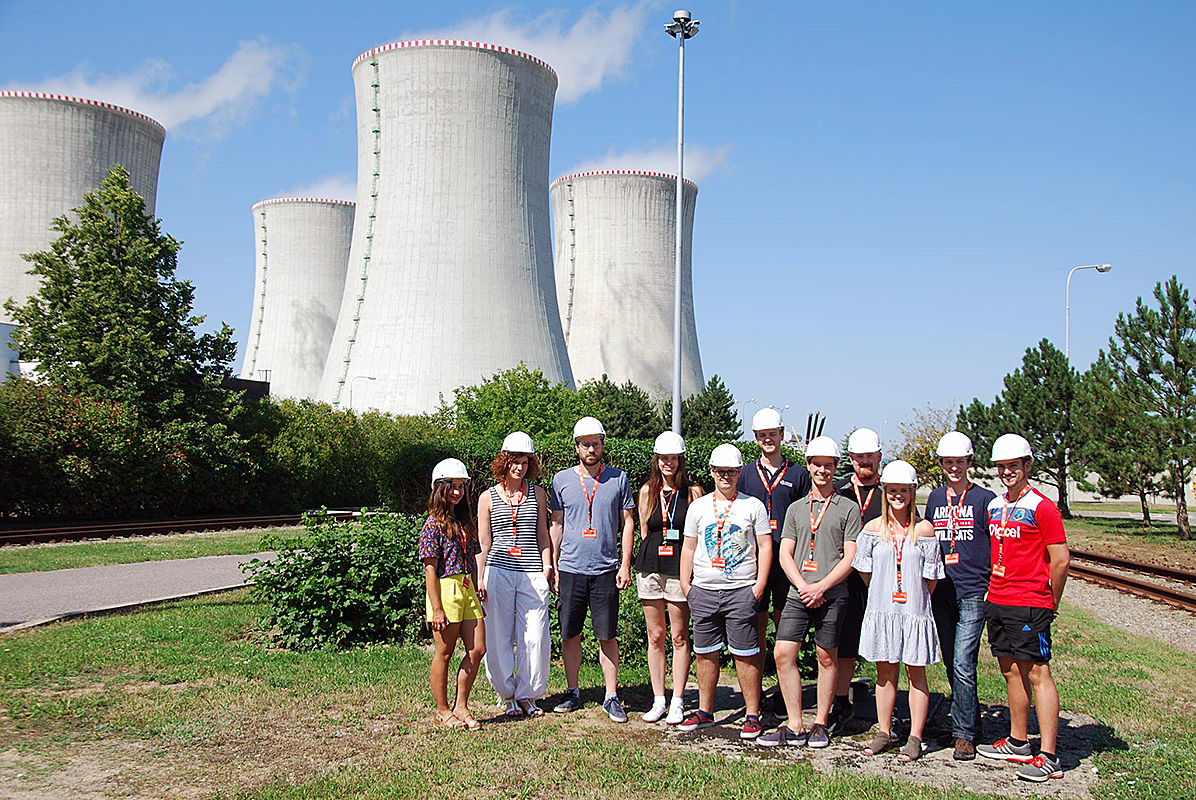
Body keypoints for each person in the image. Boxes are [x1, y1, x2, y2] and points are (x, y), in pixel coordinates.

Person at [977, 434, 1071, 782]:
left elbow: (1060, 560)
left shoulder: (1043, 507)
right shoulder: (994, 506)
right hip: (998, 599)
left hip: (1030, 603)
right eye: (1001, 466)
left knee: (1037, 673)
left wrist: (1050, 601)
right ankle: (1018, 742)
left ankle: (1049, 755)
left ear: (1027, 465)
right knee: (1010, 671)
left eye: (1013, 465)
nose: (1007, 472)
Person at [759, 435, 860, 748]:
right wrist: (803, 586)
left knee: (826, 657)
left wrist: (822, 586)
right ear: (809, 466)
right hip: (798, 593)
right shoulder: (796, 509)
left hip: (832, 594)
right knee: (782, 653)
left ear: (836, 467)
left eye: (828, 465)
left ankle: (820, 724)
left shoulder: (848, 508)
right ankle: (795, 724)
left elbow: (851, 556)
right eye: (817, 465)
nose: (822, 471)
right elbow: (785, 553)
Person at [677, 443, 772, 740]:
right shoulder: (699, 506)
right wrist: (686, 585)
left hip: (741, 590)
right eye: (720, 471)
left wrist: (759, 585)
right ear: (711, 472)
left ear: (739, 472)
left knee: (745, 655)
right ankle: (705, 711)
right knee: (705, 654)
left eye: (731, 471)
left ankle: (752, 715)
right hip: (704, 591)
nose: (725, 476)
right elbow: (688, 547)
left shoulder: (753, 505)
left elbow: (765, 546)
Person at [853, 460, 944, 762]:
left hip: (913, 612)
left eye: (904, 490)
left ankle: (915, 737)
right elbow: (865, 572)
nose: (898, 496)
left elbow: (931, 578)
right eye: (892, 490)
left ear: (912, 492)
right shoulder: (872, 529)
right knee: (885, 672)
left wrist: (913, 597)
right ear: (885, 492)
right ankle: (884, 731)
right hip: (883, 610)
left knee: (916, 672)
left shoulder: (924, 530)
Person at [549, 416, 636, 722]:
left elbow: (628, 522)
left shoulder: (618, 478)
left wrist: (625, 564)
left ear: (602, 445)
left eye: (595, 444)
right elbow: (557, 524)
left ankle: (611, 696)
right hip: (570, 568)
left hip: (605, 569)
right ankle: (573, 691)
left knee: (606, 634)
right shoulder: (561, 480)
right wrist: (553, 565)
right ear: (577, 447)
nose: (591, 449)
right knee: (570, 633)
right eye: (585, 444)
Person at [924, 431, 996, 760]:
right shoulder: (935, 499)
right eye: (948, 462)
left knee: (965, 661)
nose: (954, 468)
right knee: (952, 661)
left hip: (973, 590)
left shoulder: (984, 499)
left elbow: (996, 544)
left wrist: (992, 585)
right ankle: (971, 721)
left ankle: (963, 734)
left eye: (960, 462)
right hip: (942, 590)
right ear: (941, 464)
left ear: (969, 462)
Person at [477, 432, 553, 719]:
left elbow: (543, 535)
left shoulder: (538, 493)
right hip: (498, 571)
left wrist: (547, 567)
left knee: (535, 635)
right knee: (498, 635)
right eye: (514, 462)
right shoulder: (487, 497)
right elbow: (484, 543)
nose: (519, 467)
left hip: (532, 572)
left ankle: (528, 695)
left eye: (524, 462)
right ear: (504, 462)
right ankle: (506, 694)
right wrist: (480, 577)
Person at [736, 407, 811, 696]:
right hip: (754, 560)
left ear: (781, 435)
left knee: (785, 628)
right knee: (756, 626)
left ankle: (783, 691)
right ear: (755, 438)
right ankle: (754, 692)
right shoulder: (745, 474)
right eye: (762, 435)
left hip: (787, 561)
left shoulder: (798, 474)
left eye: (772, 434)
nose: (768, 440)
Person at [635, 431, 705, 725]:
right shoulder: (647, 491)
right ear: (657, 460)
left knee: (678, 636)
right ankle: (658, 699)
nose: (668, 463)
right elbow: (644, 530)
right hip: (650, 567)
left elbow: (699, 533)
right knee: (655, 635)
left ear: (680, 460)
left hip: (679, 569)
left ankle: (677, 700)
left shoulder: (694, 492)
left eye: (673, 458)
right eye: (663, 458)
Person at [420, 458, 487, 730]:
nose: (457, 492)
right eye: (452, 486)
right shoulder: (432, 525)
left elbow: (473, 557)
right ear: (440, 488)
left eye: (461, 486)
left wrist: (476, 585)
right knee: (444, 652)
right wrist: (436, 608)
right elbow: (430, 570)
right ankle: (442, 710)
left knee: (478, 648)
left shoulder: (464, 521)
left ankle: (461, 705)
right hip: (445, 590)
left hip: (467, 588)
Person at [831, 427, 884, 733]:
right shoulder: (838, 492)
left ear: (879, 456)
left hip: (881, 580)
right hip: (846, 578)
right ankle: (841, 701)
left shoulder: (891, 492)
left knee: (885, 644)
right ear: (850, 458)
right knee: (844, 642)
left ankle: (887, 704)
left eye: (870, 456)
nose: (865, 461)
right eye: (859, 456)